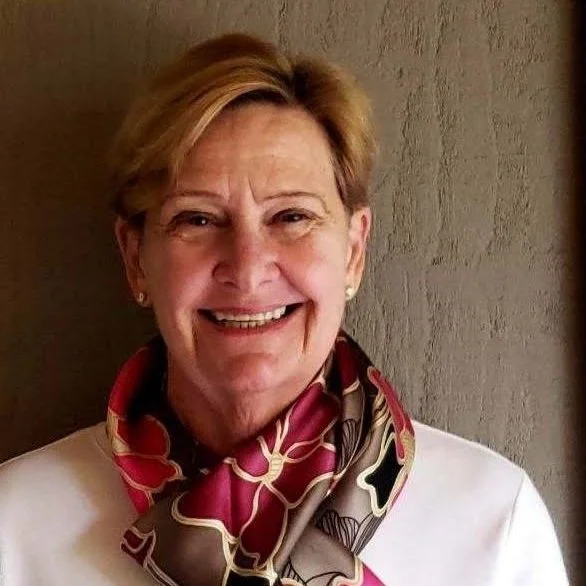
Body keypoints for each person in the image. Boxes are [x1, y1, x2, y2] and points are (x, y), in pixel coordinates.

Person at [0, 33, 568, 586]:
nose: (248, 269)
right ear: (135, 259)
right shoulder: (15, 527)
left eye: (292, 216)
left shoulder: (493, 520)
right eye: (197, 219)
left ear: (353, 251)